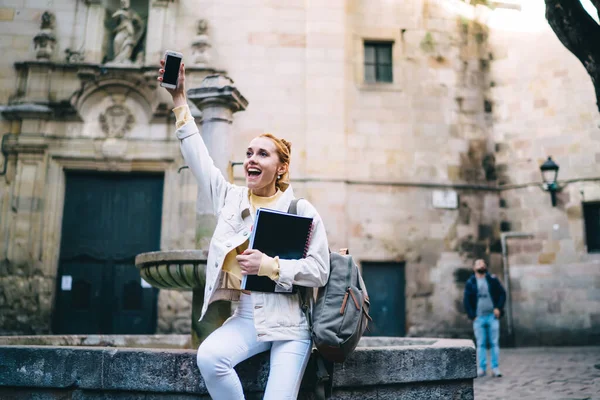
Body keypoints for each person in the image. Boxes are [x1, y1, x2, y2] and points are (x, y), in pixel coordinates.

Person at [158, 60, 330, 399]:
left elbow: (320, 271)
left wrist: (269, 265)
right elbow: (200, 160)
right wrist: (179, 99)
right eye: (249, 152)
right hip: (246, 317)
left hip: (290, 324)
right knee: (209, 357)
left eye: (262, 154)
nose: (252, 158)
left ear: (280, 168)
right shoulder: (231, 199)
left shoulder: (300, 210)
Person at [463, 259, 506, 378]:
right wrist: (473, 316)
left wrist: (498, 308)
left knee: (494, 343)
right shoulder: (471, 282)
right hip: (479, 318)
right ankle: (481, 368)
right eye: (478, 264)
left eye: (483, 263)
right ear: (474, 268)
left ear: (486, 266)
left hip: (492, 317)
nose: (481, 265)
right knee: (481, 344)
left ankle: (495, 368)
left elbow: (502, 293)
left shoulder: (492, 280)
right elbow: (466, 301)